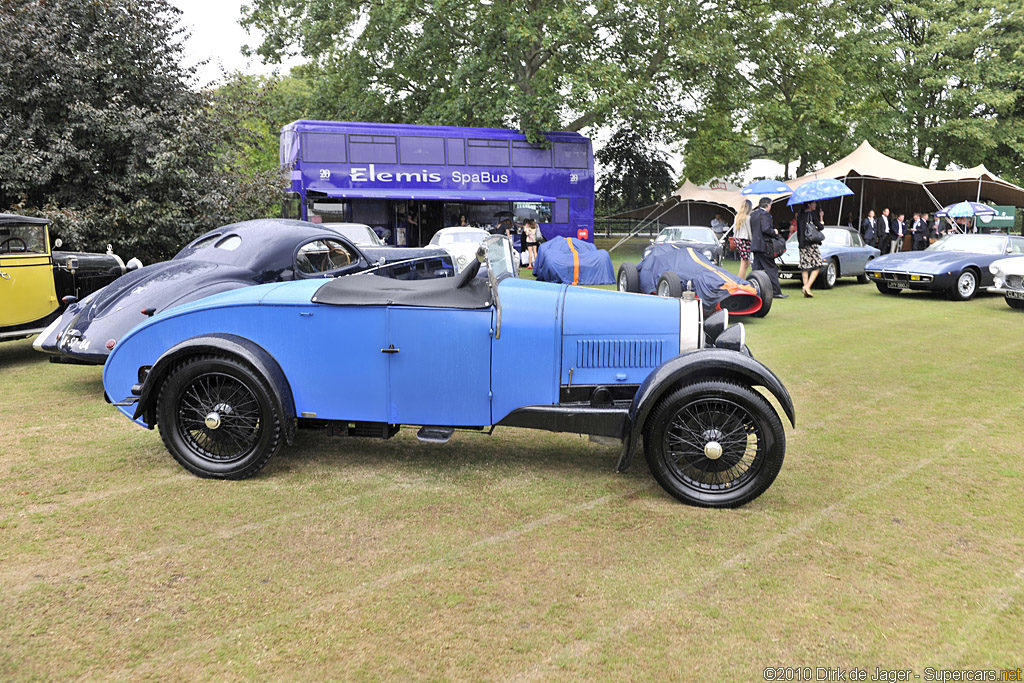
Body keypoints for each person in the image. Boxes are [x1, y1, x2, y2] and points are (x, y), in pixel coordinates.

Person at [749, 197, 788, 299]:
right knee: (771, 268)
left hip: (755, 244)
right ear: (767, 205)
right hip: (764, 245)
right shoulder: (765, 214)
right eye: (770, 205)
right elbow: (766, 229)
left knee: (756, 269)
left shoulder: (753, 214)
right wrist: (774, 232)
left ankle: (751, 289)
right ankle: (775, 291)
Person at [797, 201, 824, 297]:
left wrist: (800, 243)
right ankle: (807, 286)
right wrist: (821, 217)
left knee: (805, 267)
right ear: (809, 204)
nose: (815, 205)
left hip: (802, 244)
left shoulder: (799, 216)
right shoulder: (813, 214)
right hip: (812, 244)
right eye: (814, 203)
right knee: (817, 266)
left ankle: (806, 290)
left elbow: (799, 232)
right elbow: (821, 227)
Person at [733, 199, 753, 280]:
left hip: (738, 239)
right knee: (744, 262)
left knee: (745, 261)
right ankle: (740, 280)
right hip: (745, 240)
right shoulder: (748, 218)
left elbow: (734, 230)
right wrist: (752, 240)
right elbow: (749, 231)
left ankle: (741, 279)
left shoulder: (737, 217)